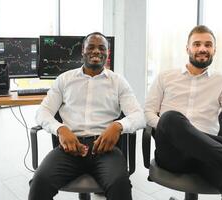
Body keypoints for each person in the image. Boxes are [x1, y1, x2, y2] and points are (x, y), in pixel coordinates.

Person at [144, 25, 222, 199]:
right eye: (196, 44)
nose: (202, 48)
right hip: (172, 153)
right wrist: (171, 128)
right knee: (171, 118)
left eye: (208, 45)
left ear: (214, 50)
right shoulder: (165, 76)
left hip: (209, 155)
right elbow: (148, 112)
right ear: (187, 48)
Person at [28, 32, 145, 200]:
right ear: (82, 51)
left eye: (101, 48)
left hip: (105, 149)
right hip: (70, 148)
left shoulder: (118, 81)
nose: (96, 51)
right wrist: (60, 129)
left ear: (107, 53)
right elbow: (42, 112)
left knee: (120, 184)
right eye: (91, 47)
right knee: (40, 182)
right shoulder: (65, 79)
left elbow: (139, 116)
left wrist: (118, 126)